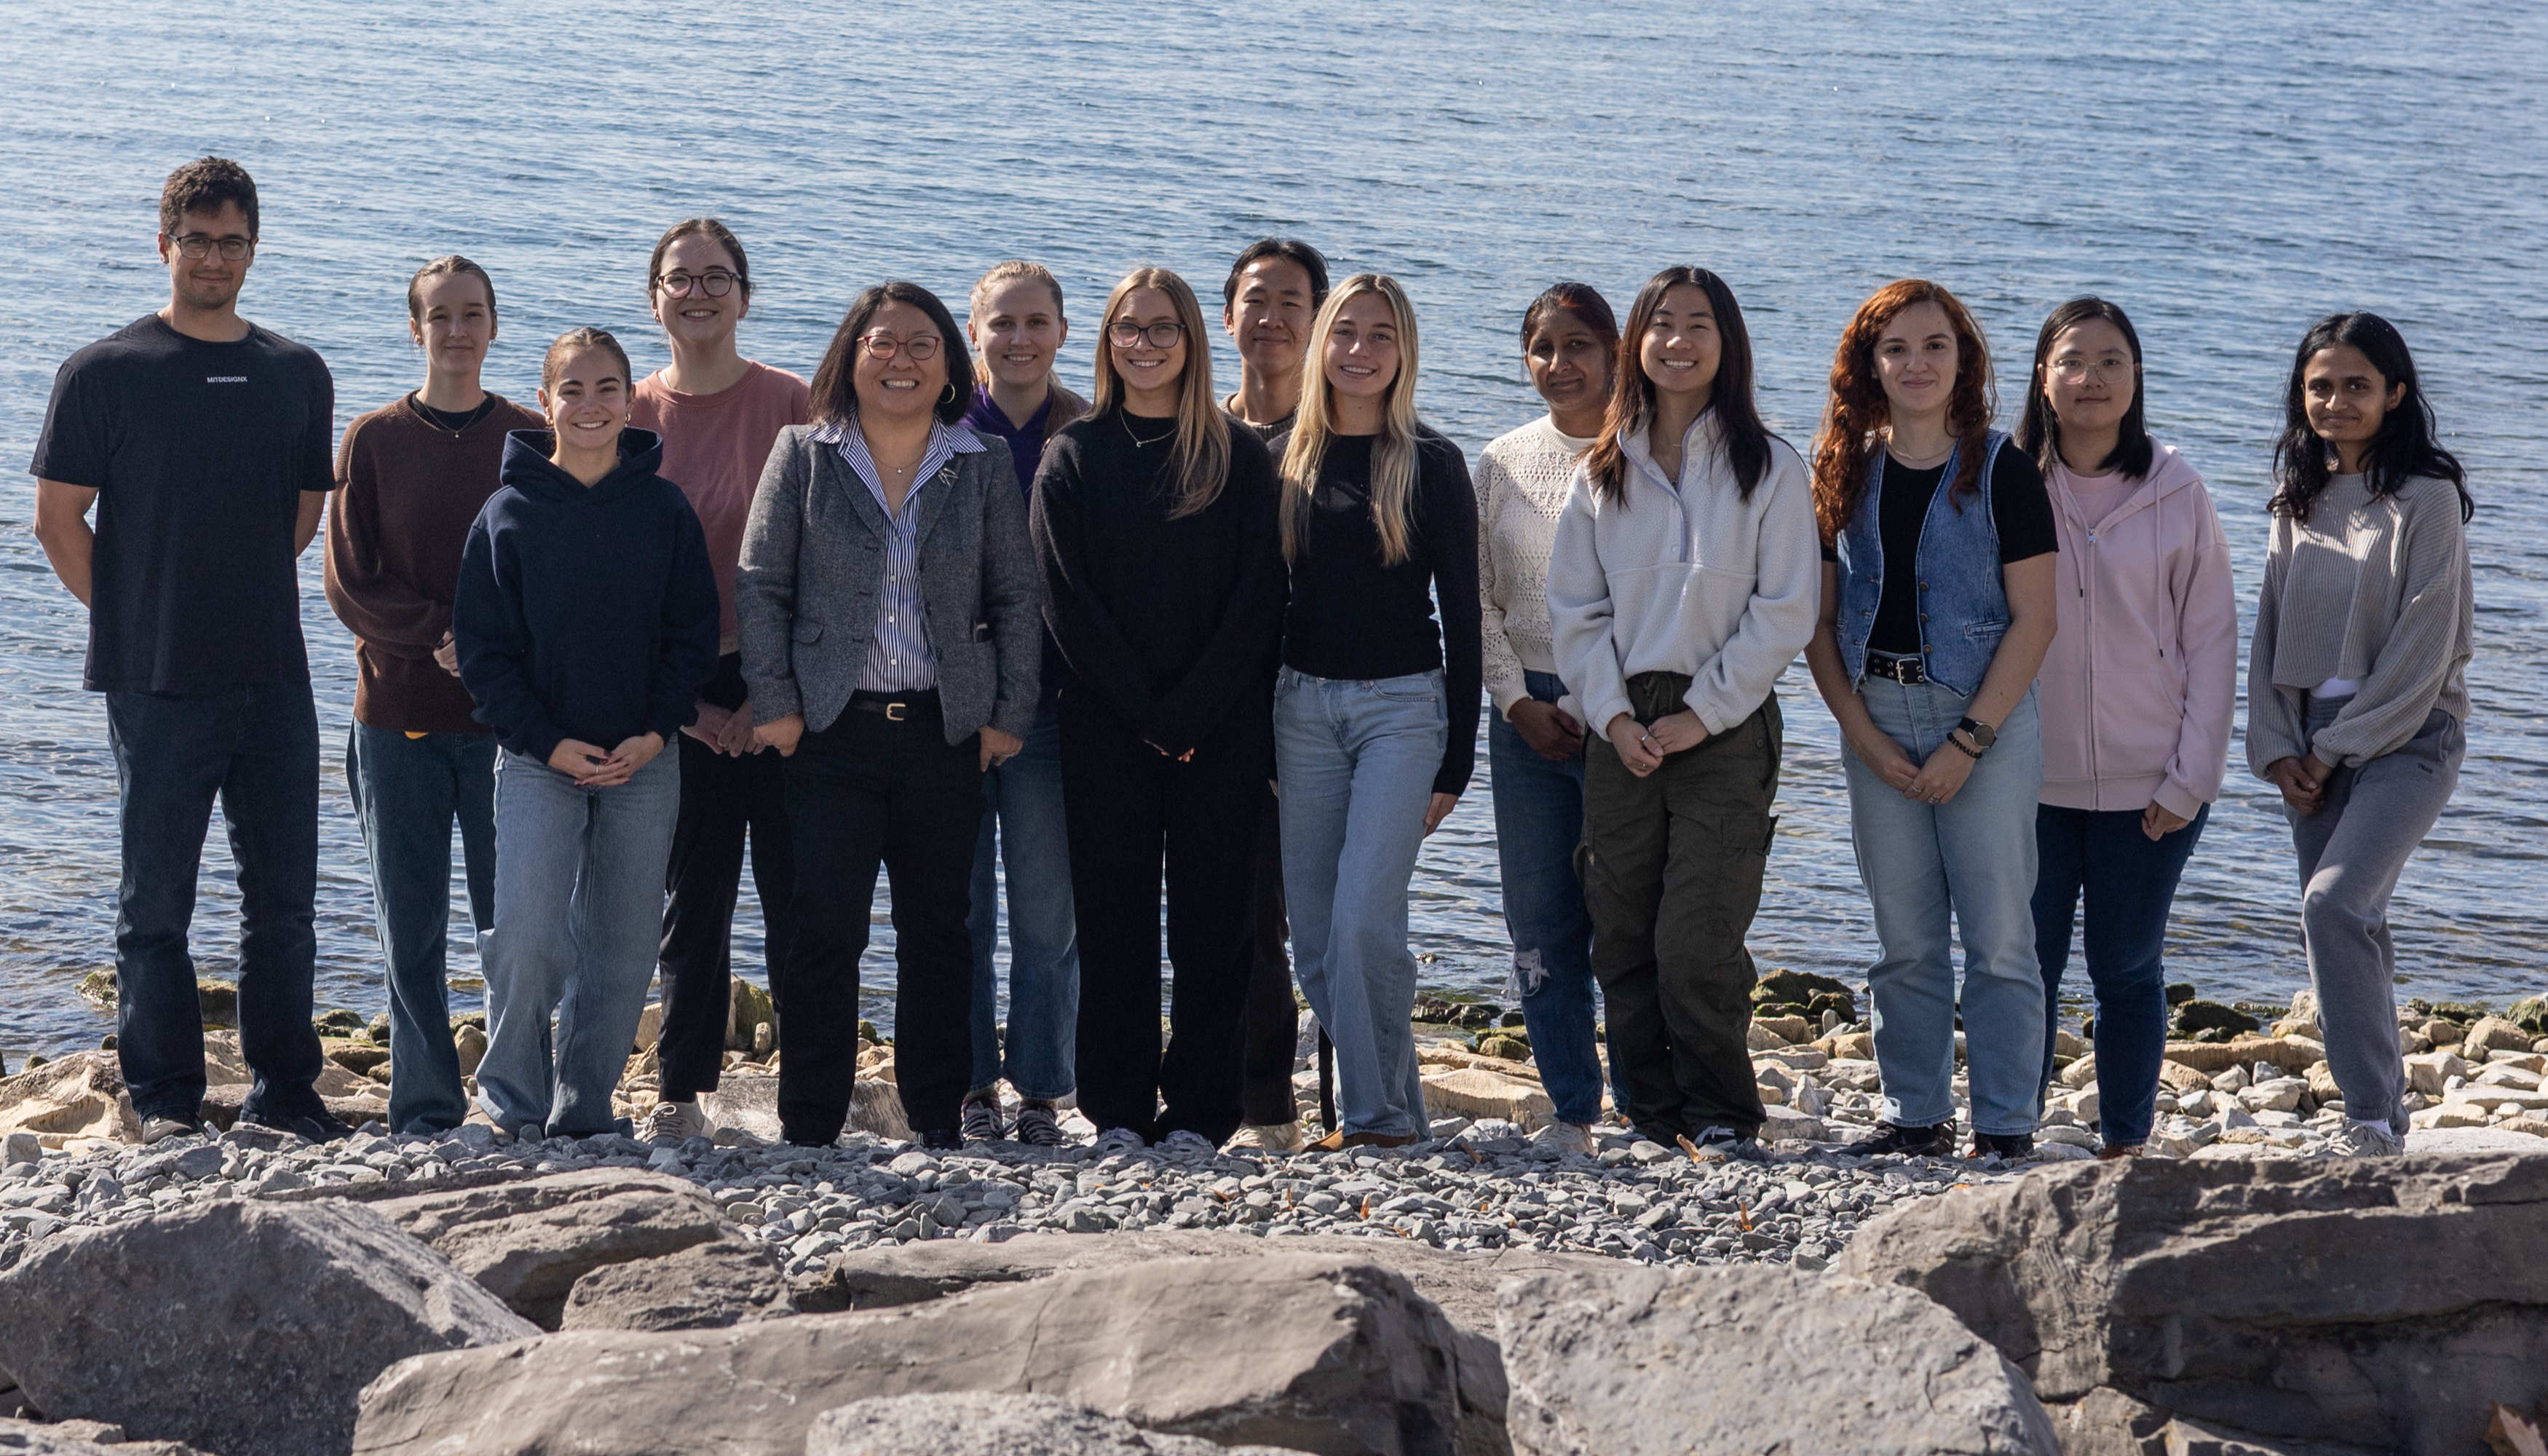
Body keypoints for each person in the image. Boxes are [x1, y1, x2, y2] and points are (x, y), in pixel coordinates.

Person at [30, 157, 343, 1144]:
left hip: (273, 679)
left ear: (255, 248)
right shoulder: (105, 372)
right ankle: (164, 1101)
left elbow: (301, 516)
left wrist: (225, 597)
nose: (215, 257)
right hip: (156, 682)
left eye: (232, 241)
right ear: (165, 245)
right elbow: (55, 519)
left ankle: (285, 1094)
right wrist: (135, 617)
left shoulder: (297, 372)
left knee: (284, 904)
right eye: (197, 240)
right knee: (154, 904)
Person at [739, 282, 1040, 1150]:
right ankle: (810, 1122)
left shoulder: (977, 461)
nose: (900, 359)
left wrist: (1006, 712)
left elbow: (1016, 596)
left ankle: (937, 1118)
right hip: (829, 732)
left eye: (920, 344)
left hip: (945, 734)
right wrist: (778, 707)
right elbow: (762, 587)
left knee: (938, 933)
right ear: (852, 355)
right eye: (882, 343)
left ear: (950, 363)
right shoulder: (803, 451)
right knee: (822, 931)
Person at [1547, 267, 1820, 1158]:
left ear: (1725, 344)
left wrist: (1701, 715)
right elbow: (1574, 614)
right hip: (1620, 719)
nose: (1677, 340)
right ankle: (1650, 1115)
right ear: (1638, 341)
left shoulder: (1770, 467)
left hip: (1725, 722)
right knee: (1620, 933)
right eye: (1660, 324)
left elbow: (1784, 611)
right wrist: (1615, 718)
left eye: (1697, 324)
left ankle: (1723, 1115)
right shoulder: (1603, 468)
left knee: (1697, 935)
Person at [1803, 280, 2057, 1162]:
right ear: (1869, 365)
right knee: (1903, 941)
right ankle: (1914, 1115)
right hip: (1873, 709)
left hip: (1979, 716)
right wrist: (1862, 734)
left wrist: (1967, 741)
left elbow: (2036, 620)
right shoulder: (1841, 465)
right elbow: (1817, 622)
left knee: (1996, 937)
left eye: (1934, 346)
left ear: (1963, 360)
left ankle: (2003, 1126)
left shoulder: (2002, 467)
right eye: (1895, 349)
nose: (1915, 363)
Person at [1032, 266, 1284, 1153]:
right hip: (1106, 732)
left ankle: (1202, 1114)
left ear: (1190, 339)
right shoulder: (1073, 455)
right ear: (1105, 342)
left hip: (1219, 732)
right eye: (1128, 329)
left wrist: (1189, 715)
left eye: (1162, 328)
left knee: (1217, 931)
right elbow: (1067, 606)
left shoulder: (1235, 453)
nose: (1143, 344)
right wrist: (1147, 714)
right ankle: (1118, 1109)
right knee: (1115, 927)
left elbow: (1259, 596)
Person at [455, 328, 719, 1139]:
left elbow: (693, 634)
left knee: (623, 937)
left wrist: (653, 730)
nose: (592, 404)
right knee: (531, 931)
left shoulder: (663, 508)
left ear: (629, 398)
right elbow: (484, 653)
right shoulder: (508, 513)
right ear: (545, 402)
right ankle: (511, 1099)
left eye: (608, 388)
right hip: (540, 759)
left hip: (645, 758)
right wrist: (544, 740)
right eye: (573, 389)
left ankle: (586, 1105)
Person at [2248, 312, 2472, 1159]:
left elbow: (2423, 651)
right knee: (2353, 925)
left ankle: (2367, 1119)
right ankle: (2383, 1119)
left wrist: (2332, 747)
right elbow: (2268, 630)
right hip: (2308, 741)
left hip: (2408, 737)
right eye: (2319, 386)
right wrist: (2275, 746)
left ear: (2394, 393)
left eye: (2354, 385)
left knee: (2331, 904)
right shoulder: (2295, 499)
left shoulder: (2427, 500)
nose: (2335, 400)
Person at [2014, 298, 2235, 1158]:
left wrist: (2191, 779)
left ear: (2135, 378)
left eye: (2110, 360)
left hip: (2150, 788)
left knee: (2126, 970)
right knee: (2020, 969)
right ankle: (2008, 1126)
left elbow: (2212, 641)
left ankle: (2125, 1144)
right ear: (2043, 377)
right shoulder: (2006, 478)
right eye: (2072, 360)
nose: (2090, 378)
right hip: (2025, 781)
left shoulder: (2176, 490)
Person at [326, 255, 540, 1136]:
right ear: (415, 329)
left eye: (472, 314)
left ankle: (521, 1098)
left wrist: (484, 647)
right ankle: (421, 1103)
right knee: (407, 926)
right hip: (398, 720)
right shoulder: (373, 439)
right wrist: (437, 634)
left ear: (495, 326)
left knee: (517, 931)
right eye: (440, 316)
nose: (457, 331)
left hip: (508, 728)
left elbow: (554, 574)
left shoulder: (532, 435)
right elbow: (349, 580)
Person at [1273, 273, 1481, 1152]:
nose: (1360, 351)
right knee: (1317, 942)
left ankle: (1372, 1120)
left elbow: (1465, 615)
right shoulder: (1281, 458)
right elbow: (1260, 607)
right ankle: (1400, 1109)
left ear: (1404, 353)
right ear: (1320, 343)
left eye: (1380, 336)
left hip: (1402, 711)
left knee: (1365, 917)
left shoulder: (1430, 463)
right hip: (1298, 710)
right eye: (1345, 332)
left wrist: (1456, 759)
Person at [627, 218, 810, 1145]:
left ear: (746, 292)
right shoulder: (626, 413)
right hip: (669, 684)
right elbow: (608, 582)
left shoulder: (792, 403)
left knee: (797, 895)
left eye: (715, 277)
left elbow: (829, 564)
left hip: (784, 679)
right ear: (653, 296)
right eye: (679, 278)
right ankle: (681, 1089)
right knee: (690, 900)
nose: (696, 293)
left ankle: (808, 1093)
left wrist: (770, 699)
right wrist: (689, 710)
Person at [1475, 282, 1623, 1153]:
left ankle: (1652, 1102)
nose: (1559, 364)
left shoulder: (1648, 454)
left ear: (1614, 354)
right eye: (1542, 347)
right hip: (1526, 716)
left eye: (1578, 346)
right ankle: (1572, 1108)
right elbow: (1477, 600)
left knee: (1628, 915)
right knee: (1538, 919)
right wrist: (1516, 702)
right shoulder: (1499, 461)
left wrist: (1601, 700)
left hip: (1625, 713)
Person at [956, 260, 1088, 1145]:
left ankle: (1041, 1087)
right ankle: (969, 1084)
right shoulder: (940, 427)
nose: (1019, 338)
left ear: (1062, 332)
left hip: (1051, 708)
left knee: (1047, 909)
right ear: (975, 336)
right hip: (954, 707)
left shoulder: (1089, 427)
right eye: (1001, 323)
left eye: (1035, 322)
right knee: (958, 909)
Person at [1221, 238, 1332, 1152]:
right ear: (1226, 317)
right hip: (1215, 714)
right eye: (1255, 300)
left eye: (1291, 301)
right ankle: (1258, 1103)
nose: (1271, 317)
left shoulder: (1342, 442)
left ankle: (1337, 1102)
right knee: (1239, 915)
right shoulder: (1202, 434)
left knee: (1325, 916)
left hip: (1322, 709)